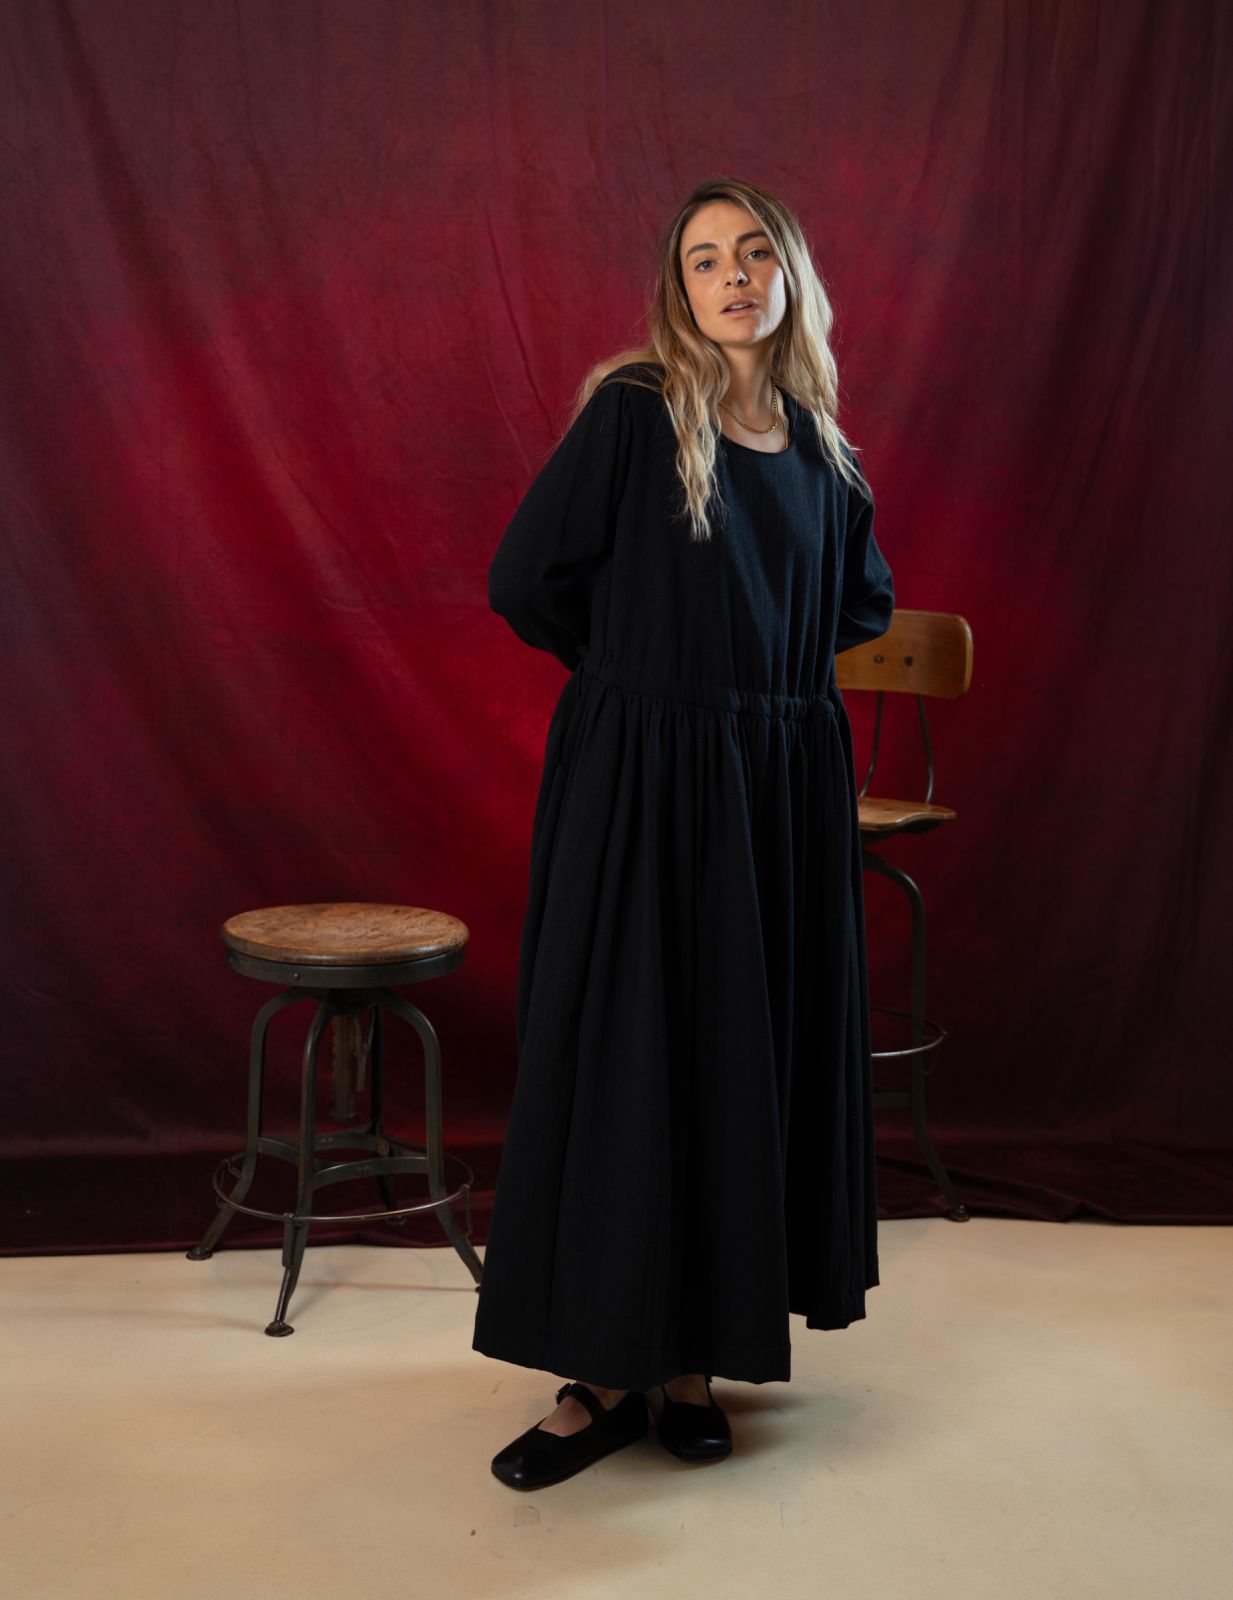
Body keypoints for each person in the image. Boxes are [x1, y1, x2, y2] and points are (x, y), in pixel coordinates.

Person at [474, 176, 895, 1491]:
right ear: (678, 287)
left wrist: (760, 705)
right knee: (630, 1051)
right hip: (642, 774)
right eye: (705, 258)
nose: (731, 276)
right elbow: (523, 580)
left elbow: (861, 605)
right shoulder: (636, 411)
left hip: (774, 784)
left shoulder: (822, 449)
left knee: (736, 1057)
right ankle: (602, 1371)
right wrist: (641, 680)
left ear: (789, 278)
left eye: (753, 252)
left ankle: (697, 1360)